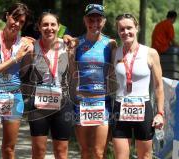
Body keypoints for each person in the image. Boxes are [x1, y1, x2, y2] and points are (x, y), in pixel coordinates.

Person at [0, 3, 34, 158]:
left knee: (9, 150)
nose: (16, 24)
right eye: (14, 18)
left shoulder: (24, 44)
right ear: (7, 16)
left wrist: (30, 55)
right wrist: (14, 58)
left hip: (14, 98)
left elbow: (24, 73)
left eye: (21, 22)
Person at [21, 12, 73, 159]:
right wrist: (26, 53)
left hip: (62, 102)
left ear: (58, 27)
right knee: (38, 151)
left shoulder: (67, 46)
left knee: (61, 151)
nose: (49, 28)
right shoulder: (32, 46)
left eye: (52, 24)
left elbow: (74, 74)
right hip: (39, 103)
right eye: (45, 24)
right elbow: (23, 74)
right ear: (39, 27)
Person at [112, 13, 164, 159]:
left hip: (143, 108)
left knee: (145, 156)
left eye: (129, 28)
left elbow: (159, 86)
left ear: (137, 28)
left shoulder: (150, 53)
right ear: (118, 31)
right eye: (121, 29)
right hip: (120, 107)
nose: (125, 32)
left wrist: (160, 113)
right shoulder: (114, 52)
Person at [71, 4, 116, 159]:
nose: (94, 23)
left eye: (98, 19)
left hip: (102, 102)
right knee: (85, 151)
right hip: (81, 102)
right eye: (91, 19)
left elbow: (116, 71)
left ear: (103, 21)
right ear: (85, 20)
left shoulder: (111, 44)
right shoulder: (76, 43)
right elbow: (71, 71)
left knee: (98, 152)